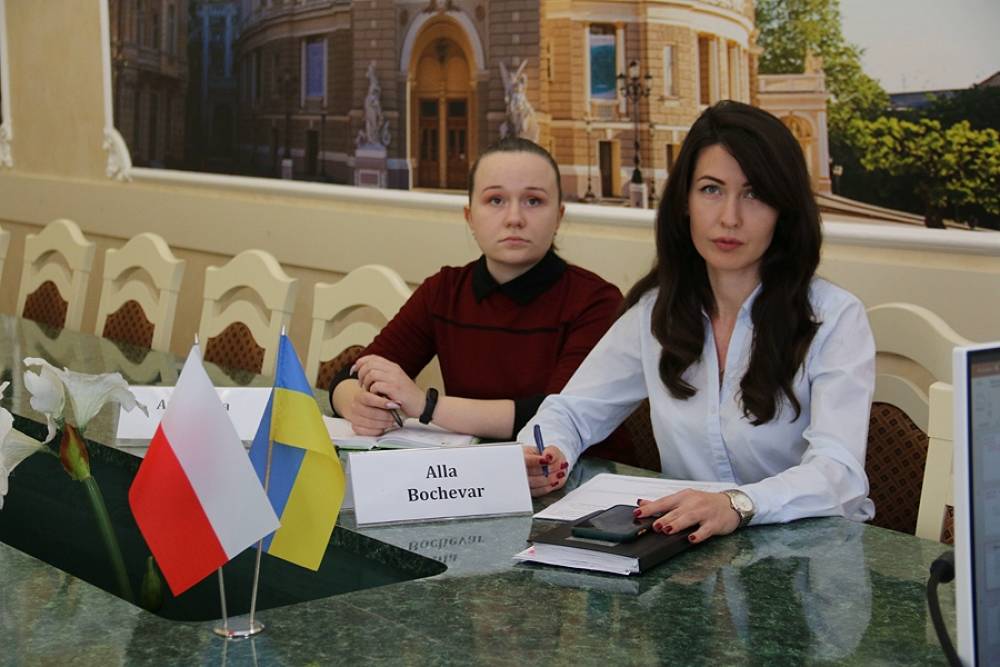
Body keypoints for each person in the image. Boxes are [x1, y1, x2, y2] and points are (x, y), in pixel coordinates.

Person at [520, 100, 876, 544]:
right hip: (690, 554)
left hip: (811, 558)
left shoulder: (834, 318)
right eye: (711, 189)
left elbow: (840, 473)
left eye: (754, 194)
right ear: (684, 201)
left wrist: (737, 504)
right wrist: (547, 452)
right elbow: (571, 411)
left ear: (784, 210)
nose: (729, 217)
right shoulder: (656, 311)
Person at [330, 137, 623, 444]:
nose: (514, 219)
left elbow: (556, 418)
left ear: (559, 217)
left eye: (533, 201)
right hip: (471, 468)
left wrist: (427, 406)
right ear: (469, 217)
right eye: (495, 200)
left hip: (585, 469)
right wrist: (358, 405)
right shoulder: (444, 291)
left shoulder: (596, 301)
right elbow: (351, 375)